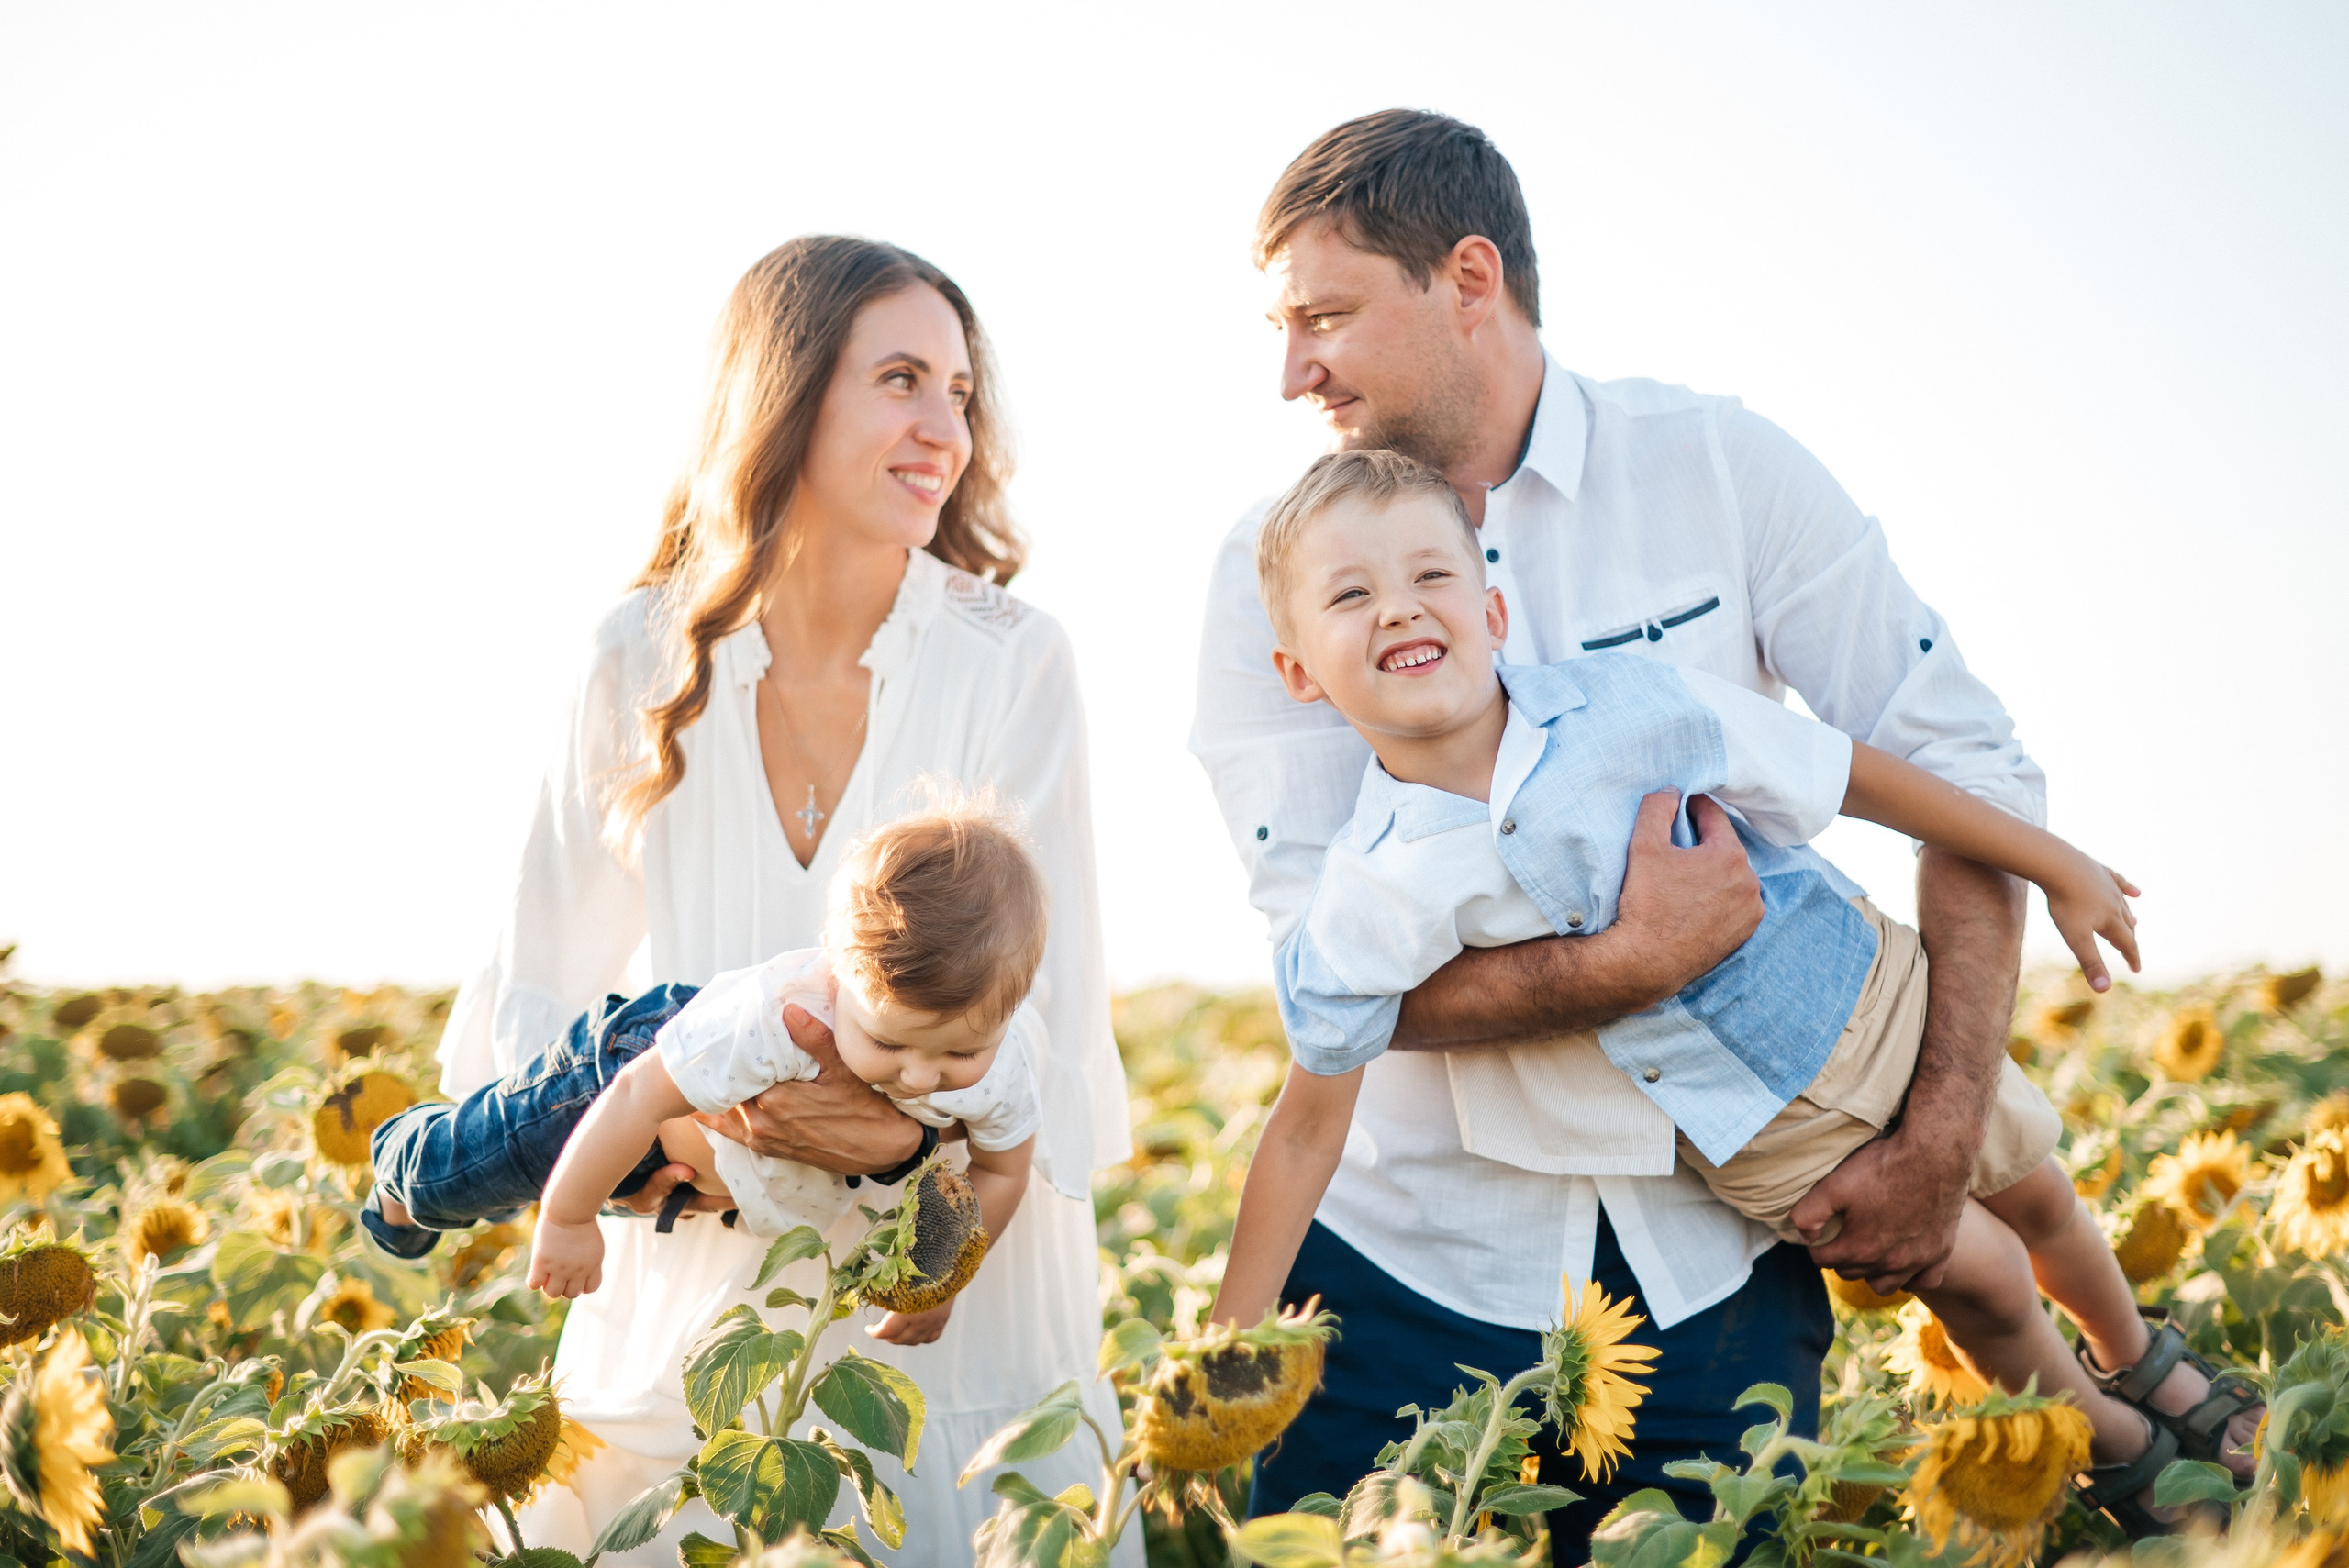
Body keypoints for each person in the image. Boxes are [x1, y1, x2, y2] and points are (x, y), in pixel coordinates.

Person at [1187, 107, 2049, 1544]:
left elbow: (1958, 762)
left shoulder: (1720, 466)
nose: (1293, 372)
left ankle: (2131, 1402)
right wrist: (1635, 957)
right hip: (1403, 1277)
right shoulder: (1267, 577)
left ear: (1470, 282)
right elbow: (1326, 972)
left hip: (1724, 1265)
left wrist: (1944, 1127)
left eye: (1323, 318)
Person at [1212, 450, 2260, 1533]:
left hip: (1864, 996)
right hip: (1740, 1120)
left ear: (1491, 608)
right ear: (1297, 673)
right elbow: (1303, 1129)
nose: (1397, 609)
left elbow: (1842, 769)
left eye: (1429, 576)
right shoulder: (1370, 888)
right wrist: (1229, 1340)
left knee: (2035, 1192)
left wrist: (2051, 861)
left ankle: (2139, 1353)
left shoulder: (1622, 707)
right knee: (1977, 1273)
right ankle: (2119, 1454)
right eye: (1350, 593)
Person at [434, 236, 1135, 1566]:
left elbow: (1040, 1001)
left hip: (948, 1286)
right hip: (687, 1263)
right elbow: (538, 992)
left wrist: (856, 1139)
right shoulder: (634, 654)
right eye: (903, 381)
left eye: (962, 392)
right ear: (787, 393)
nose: (948, 428)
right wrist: (681, 1152)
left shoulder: (1015, 661)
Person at [370, 806, 1044, 1346]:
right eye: (889, 1042)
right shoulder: (773, 1018)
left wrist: (943, 1276)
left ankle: (427, 1206)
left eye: (959, 1055)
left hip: (701, 1161)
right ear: (837, 981)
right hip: (627, 1073)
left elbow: (1002, 1169)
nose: (924, 1076)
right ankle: (398, 1159)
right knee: (456, 1175)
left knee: (510, 1195)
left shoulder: (1000, 1058)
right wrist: (571, 1219)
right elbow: (635, 1094)